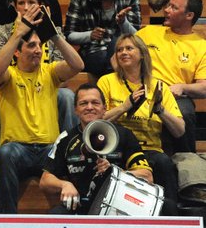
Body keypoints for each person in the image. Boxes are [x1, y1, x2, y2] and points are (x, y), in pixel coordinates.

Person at [0, 10, 84, 214]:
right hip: (18, 150)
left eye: (40, 46)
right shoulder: (9, 74)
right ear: (17, 52)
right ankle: (7, 220)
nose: (38, 50)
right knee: (5, 153)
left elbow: (78, 65)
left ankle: (72, 215)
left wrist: (54, 36)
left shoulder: (50, 71)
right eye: (31, 46)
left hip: (48, 150)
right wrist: (17, 33)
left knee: (70, 153)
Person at [98, 34, 185, 207]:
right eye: (119, 50)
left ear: (142, 54)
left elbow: (180, 130)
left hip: (150, 150)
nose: (123, 52)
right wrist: (125, 106)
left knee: (164, 163)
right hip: (118, 150)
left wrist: (160, 110)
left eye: (129, 48)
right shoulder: (106, 81)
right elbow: (97, 122)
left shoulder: (159, 86)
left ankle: (169, 212)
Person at [40, 84, 152, 215]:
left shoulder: (123, 135)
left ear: (104, 108)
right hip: (79, 206)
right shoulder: (66, 139)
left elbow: (147, 176)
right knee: (55, 215)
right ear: (75, 110)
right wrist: (64, 184)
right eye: (83, 103)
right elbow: (45, 180)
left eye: (95, 103)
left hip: (117, 207)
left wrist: (114, 172)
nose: (89, 107)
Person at [0, 0, 76, 142]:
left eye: (31, 2)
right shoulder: (4, 31)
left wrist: (40, 86)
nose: (26, 8)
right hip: (11, 88)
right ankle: (3, 147)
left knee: (67, 96)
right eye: (21, 3)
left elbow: (67, 74)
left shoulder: (52, 31)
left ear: (40, 6)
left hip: (47, 88)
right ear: (15, 7)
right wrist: (18, 33)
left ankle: (67, 147)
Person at [138, 0, 206, 153]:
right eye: (168, 5)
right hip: (141, 90)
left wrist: (182, 87)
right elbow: (122, 51)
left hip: (174, 96)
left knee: (184, 112)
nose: (166, 10)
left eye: (174, 8)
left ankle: (186, 161)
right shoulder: (149, 32)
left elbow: (204, 87)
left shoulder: (201, 46)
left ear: (189, 15)